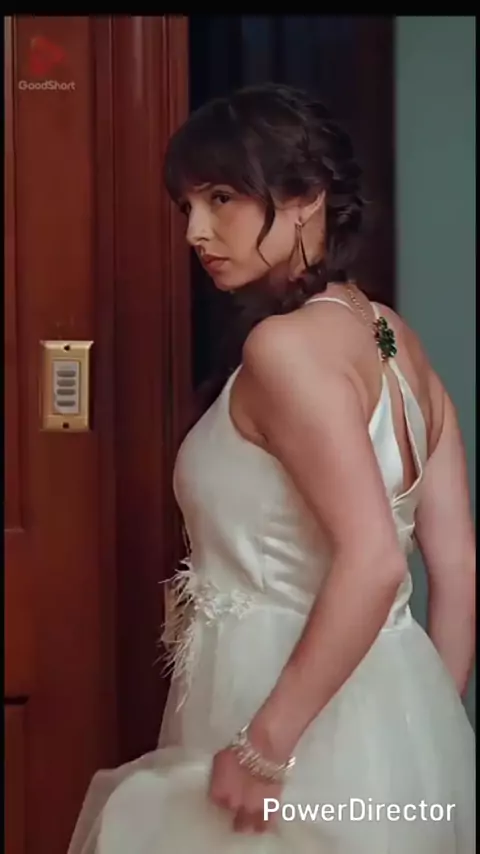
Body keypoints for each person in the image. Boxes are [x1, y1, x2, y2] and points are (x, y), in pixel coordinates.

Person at [68, 83, 475, 853]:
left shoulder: (283, 350)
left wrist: (265, 745)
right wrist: (429, 735)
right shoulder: (395, 341)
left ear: (307, 197)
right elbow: (455, 569)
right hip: (393, 713)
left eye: (222, 198)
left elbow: (375, 561)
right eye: (187, 205)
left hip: (278, 713)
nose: (196, 231)